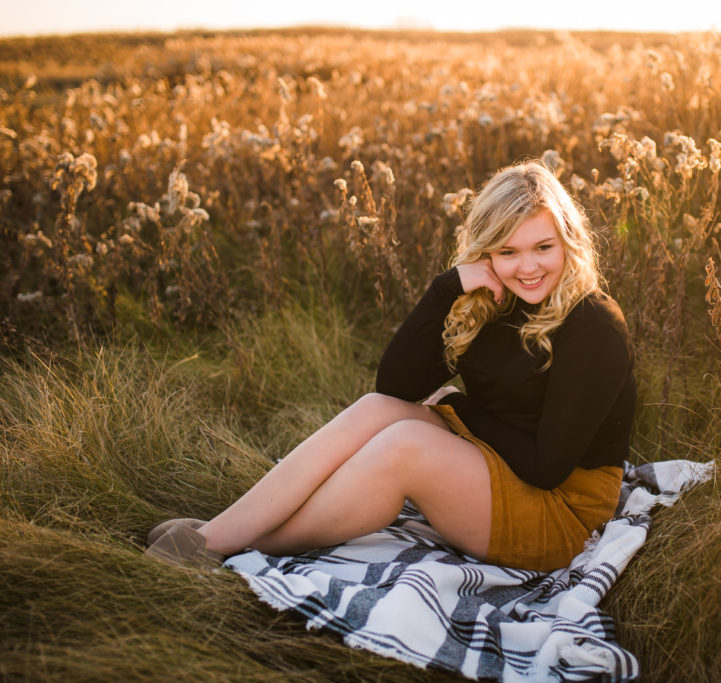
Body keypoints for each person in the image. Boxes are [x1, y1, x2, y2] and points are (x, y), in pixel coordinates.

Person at [145, 160, 636, 572]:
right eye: (508, 251)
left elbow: (548, 469)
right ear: (486, 251)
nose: (527, 267)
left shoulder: (593, 326)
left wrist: (458, 407)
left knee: (404, 445)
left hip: (561, 513)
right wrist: (445, 289)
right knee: (378, 410)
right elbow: (396, 387)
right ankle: (217, 532)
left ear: (568, 241)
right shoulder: (492, 300)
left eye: (542, 248)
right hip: (500, 462)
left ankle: (235, 547)